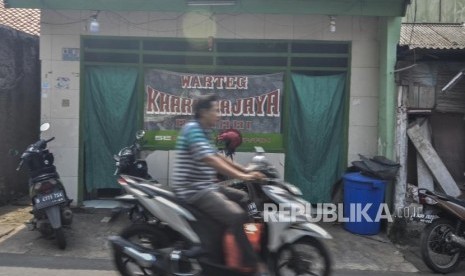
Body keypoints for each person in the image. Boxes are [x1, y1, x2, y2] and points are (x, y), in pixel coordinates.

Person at [171, 94, 268, 276]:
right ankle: (251, 264)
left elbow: (218, 156)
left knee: (244, 198)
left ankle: (233, 243)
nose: (219, 114)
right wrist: (242, 176)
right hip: (193, 190)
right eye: (216, 110)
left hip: (206, 186)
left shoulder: (205, 131)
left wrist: (245, 170)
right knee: (237, 216)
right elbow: (210, 160)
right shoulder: (192, 129)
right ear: (203, 112)